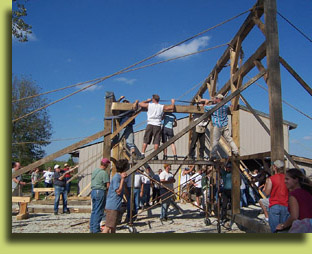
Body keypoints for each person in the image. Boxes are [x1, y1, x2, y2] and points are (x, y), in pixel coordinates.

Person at [201, 94, 239, 160]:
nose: (215, 99)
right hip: (225, 125)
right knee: (229, 139)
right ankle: (236, 151)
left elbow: (205, 108)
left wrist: (206, 102)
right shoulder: (226, 106)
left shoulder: (214, 107)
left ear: (219, 99)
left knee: (215, 140)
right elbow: (231, 106)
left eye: (216, 98)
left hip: (217, 126)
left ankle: (213, 154)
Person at [139, 94, 175, 160]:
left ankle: (142, 154)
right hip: (157, 125)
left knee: (146, 140)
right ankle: (155, 155)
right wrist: (172, 102)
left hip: (150, 124)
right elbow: (171, 107)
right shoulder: (161, 106)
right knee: (156, 140)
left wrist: (147, 101)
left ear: (153, 99)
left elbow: (140, 104)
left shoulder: (149, 105)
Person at [275, 168, 312, 232]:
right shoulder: (307, 192)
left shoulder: (294, 195)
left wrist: (283, 225)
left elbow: (294, 217)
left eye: (287, 179)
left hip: (304, 227)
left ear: (296, 180)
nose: (285, 181)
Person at [102, 159, 128, 233]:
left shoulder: (118, 176)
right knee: (107, 227)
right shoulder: (117, 177)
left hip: (116, 205)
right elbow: (118, 191)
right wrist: (122, 179)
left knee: (113, 226)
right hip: (112, 205)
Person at [263, 160, 289, 233]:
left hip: (275, 205)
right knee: (284, 230)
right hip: (286, 205)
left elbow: (267, 193)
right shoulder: (287, 179)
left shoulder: (271, 179)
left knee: (275, 230)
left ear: (275, 167)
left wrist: (265, 188)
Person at [89, 158, 110, 233]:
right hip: (100, 191)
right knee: (99, 211)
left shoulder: (95, 171)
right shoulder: (104, 173)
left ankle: (92, 227)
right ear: (106, 165)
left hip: (93, 191)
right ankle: (96, 229)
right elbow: (108, 185)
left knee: (94, 210)